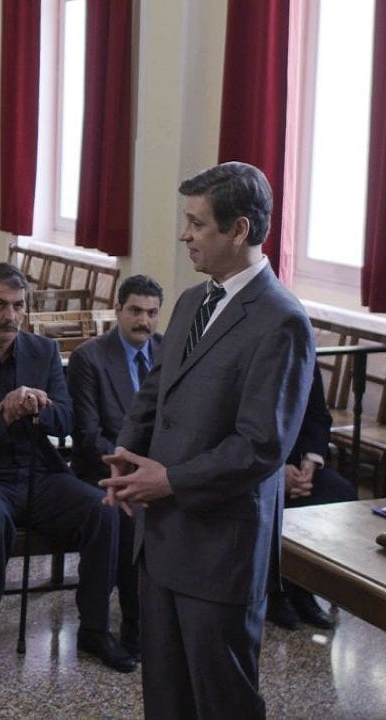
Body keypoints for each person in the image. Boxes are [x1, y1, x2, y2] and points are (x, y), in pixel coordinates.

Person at [101, 162, 315, 719]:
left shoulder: (281, 320)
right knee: (166, 698)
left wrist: (170, 480)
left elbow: (261, 446)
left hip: (220, 549)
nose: (184, 234)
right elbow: (155, 391)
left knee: (222, 702)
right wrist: (126, 455)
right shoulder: (194, 300)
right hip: (162, 538)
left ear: (239, 230)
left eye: (197, 223)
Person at [0, 262, 134, 693]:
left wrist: (41, 406)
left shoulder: (43, 351)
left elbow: (67, 419)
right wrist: (5, 413)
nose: (10, 316)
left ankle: (94, 628)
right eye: (0, 305)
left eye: (18, 306)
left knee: (103, 511)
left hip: (39, 471)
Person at [66, 273, 164, 658]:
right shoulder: (89, 357)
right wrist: (132, 472)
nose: (144, 321)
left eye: (152, 313)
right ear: (118, 310)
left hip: (154, 468)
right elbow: (87, 435)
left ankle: (157, 621)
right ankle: (114, 626)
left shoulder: (167, 351)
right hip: (101, 470)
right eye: (136, 311)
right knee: (125, 513)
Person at [266, 364, 357, 630]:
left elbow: (319, 416)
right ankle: (274, 592)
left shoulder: (304, 351)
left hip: (297, 464)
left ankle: (304, 589)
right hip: (259, 467)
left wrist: (311, 461)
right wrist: (277, 472)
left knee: (340, 492)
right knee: (270, 501)